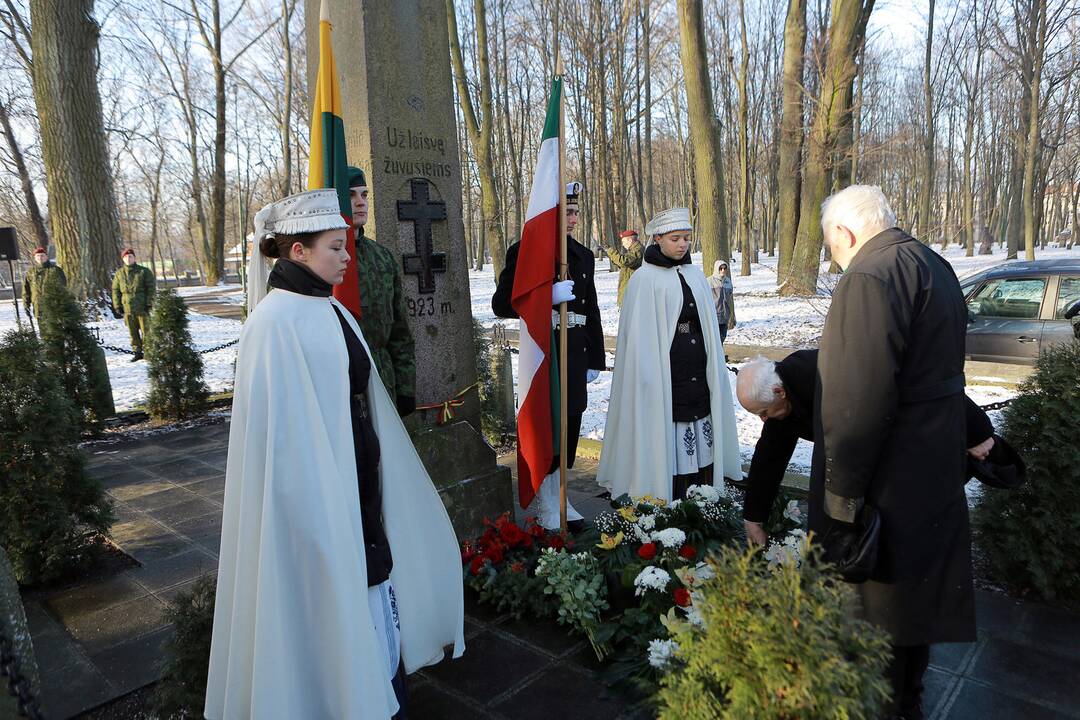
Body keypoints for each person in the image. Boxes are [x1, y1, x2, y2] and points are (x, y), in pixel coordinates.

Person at [206, 189, 464, 719]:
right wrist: (326, 515)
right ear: (296, 252)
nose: (348, 256)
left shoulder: (331, 311)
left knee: (373, 618)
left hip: (357, 492)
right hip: (321, 511)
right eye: (334, 247)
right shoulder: (273, 324)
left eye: (346, 245)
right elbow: (283, 450)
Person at [811, 185, 973, 720]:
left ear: (846, 233)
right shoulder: (934, 263)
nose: (834, 257)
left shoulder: (868, 276)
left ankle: (884, 705)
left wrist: (841, 498)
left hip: (893, 474)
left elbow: (856, 399)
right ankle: (907, 699)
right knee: (914, 604)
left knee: (881, 606)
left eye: (831, 244)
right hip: (933, 461)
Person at [735, 350, 1009, 546]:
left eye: (764, 413)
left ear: (779, 392)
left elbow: (919, 382)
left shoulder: (828, 373)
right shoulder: (780, 400)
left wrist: (977, 431)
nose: (764, 420)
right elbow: (769, 457)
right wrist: (753, 517)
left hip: (910, 439)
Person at [597, 208, 742, 502]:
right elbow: (638, 342)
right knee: (666, 435)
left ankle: (700, 500)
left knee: (702, 437)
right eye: (675, 238)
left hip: (698, 374)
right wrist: (650, 376)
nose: (682, 244)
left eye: (687, 238)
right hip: (665, 378)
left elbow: (708, 329)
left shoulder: (696, 276)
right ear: (658, 239)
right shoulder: (643, 280)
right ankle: (668, 499)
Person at [492, 181, 605, 531]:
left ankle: (561, 493)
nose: (572, 219)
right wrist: (545, 295)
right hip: (545, 353)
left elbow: (593, 308)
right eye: (565, 212)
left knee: (570, 425)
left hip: (575, 352)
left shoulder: (583, 255)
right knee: (547, 424)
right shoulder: (526, 250)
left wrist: (595, 358)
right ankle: (545, 499)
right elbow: (501, 304)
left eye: (575, 213)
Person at [346, 166, 417, 416]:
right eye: (351, 195)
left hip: (383, 380)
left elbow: (399, 332)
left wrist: (406, 388)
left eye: (364, 195)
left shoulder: (382, 257)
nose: (360, 203)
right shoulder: (319, 262)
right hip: (343, 385)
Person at [111, 248, 156, 361]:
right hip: (128, 308)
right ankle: (137, 352)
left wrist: (149, 302)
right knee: (133, 332)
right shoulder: (119, 274)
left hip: (142, 307)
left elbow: (151, 288)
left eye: (130, 256)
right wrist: (117, 306)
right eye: (126, 257)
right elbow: (115, 290)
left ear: (134, 258)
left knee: (146, 331)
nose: (128, 259)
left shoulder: (144, 271)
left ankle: (149, 351)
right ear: (123, 259)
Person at [22, 247, 67, 325]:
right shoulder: (31, 272)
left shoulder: (55, 270)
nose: (40, 258)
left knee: (55, 331)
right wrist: (26, 305)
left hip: (53, 307)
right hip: (38, 307)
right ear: (35, 258)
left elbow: (62, 288)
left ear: (46, 256)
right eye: (38, 256)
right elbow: (26, 290)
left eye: (42, 255)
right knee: (43, 331)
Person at [605, 229, 643, 307]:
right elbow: (624, 265)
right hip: (630, 294)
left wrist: (610, 251)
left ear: (630, 240)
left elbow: (624, 261)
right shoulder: (633, 250)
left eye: (623, 241)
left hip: (633, 295)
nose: (623, 244)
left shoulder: (638, 250)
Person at [707, 259, 736, 344]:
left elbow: (729, 295)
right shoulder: (709, 281)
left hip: (725, 315)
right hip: (714, 314)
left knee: (722, 336)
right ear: (717, 269)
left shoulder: (728, 281)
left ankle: (720, 355)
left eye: (724, 268)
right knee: (715, 339)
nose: (723, 270)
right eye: (720, 268)